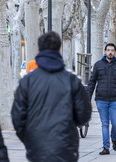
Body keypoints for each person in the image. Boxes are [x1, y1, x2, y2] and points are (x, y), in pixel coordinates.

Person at [11, 31, 91, 162]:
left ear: (39, 49)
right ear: (59, 50)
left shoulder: (28, 81)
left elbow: (17, 117)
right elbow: (84, 114)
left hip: (37, 145)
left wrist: (28, 138)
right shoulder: (72, 80)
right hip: (66, 145)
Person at [87, 43, 116, 155]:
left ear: (115, 52)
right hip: (101, 99)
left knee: (115, 123)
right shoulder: (98, 65)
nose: (110, 52)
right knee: (105, 124)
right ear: (105, 52)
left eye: (112, 50)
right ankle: (106, 147)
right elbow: (92, 82)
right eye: (108, 50)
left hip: (115, 99)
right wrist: (87, 97)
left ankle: (114, 138)